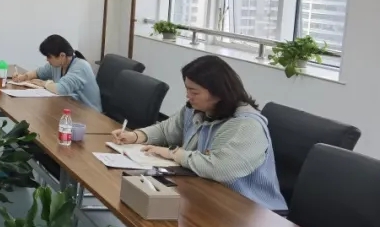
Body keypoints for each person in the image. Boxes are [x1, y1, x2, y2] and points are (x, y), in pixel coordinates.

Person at [111, 55, 286, 211]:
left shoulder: (246, 126)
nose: (188, 96)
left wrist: (174, 153)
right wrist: (137, 136)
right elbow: (166, 130)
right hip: (206, 197)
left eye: (194, 92)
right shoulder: (196, 110)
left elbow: (219, 168)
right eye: (187, 89)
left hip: (250, 211)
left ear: (219, 93)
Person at [15, 34, 102, 111]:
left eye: (49, 56)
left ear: (62, 56)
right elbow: (38, 73)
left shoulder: (81, 67)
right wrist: (23, 77)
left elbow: (61, 89)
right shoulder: (57, 65)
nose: (47, 59)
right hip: (70, 109)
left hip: (90, 115)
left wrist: (43, 83)